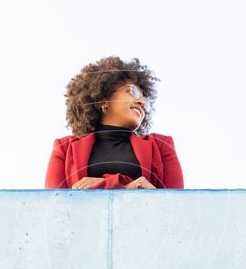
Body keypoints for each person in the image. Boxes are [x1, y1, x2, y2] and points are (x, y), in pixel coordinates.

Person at [44, 57, 184, 189]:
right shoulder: (64, 148)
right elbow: (55, 206)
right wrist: (128, 185)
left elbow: (175, 205)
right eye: (132, 92)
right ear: (104, 99)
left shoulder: (162, 146)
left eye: (144, 99)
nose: (141, 102)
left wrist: (105, 183)